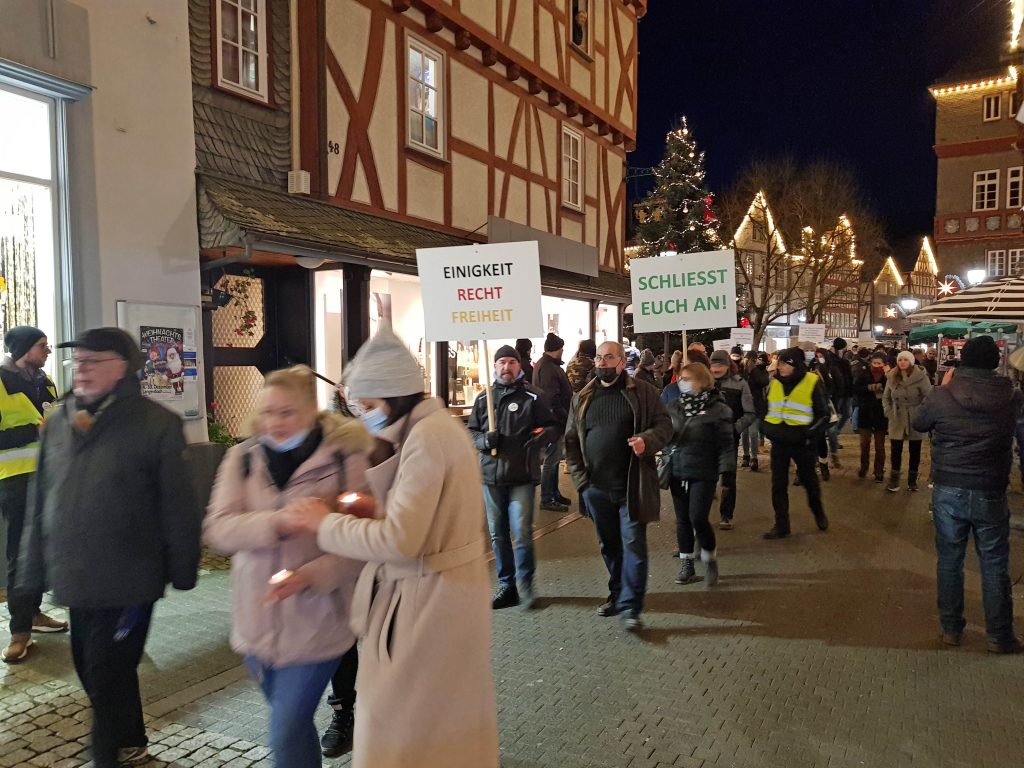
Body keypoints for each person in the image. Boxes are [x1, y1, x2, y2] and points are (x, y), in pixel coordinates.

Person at [277, 322, 499, 767]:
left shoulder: (427, 437)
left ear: (394, 394)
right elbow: (418, 522)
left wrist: (325, 524)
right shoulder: (432, 431)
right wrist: (370, 506)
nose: (364, 414)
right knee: (438, 728)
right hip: (439, 597)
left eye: (369, 404)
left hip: (425, 603)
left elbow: (401, 539)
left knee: (404, 732)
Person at [17, 328, 202, 768]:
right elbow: (41, 501)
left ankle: (105, 757)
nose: (81, 369)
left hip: (130, 577)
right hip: (76, 574)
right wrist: (30, 569)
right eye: (77, 361)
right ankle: (130, 739)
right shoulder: (59, 421)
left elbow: (178, 504)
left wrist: (183, 568)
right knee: (91, 666)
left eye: (92, 361)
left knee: (105, 671)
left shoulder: (156, 423)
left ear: (122, 368)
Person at [205, 366, 371, 766]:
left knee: (285, 726)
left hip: (319, 624)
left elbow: (362, 542)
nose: (275, 423)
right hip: (257, 625)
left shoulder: (343, 458)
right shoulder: (242, 458)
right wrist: (276, 523)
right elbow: (217, 529)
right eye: (268, 412)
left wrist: (310, 576)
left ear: (310, 412)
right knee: (294, 728)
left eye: (286, 412)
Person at [913, 335, 1024, 653]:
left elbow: (919, 423)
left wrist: (946, 387)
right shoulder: (1011, 396)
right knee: (994, 562)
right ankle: (1000, 636)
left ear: (963, 361)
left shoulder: (942, 394)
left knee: (950, 559)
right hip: (990, 487)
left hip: (949, 487)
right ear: (995, 363)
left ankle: (951, 630)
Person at [564, 341, 672, 632]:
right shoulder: (583, 397)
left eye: (609, 357)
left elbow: (665, 426)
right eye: (599, 357)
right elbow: (571, 441)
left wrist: (647, 441)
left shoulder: (644, 392)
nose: (602, 362)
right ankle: (617, 592)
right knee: (609, 545)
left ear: (622, 362)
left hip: (632, 486)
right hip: (596, 488)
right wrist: (581, 483)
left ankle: (631, 606)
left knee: (633, 544)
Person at [468, 344, 558, 608]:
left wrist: (543, 436)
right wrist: (484, 440)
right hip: (491, 476)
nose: (506, 367)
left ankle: (525, 583)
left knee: (521, 532)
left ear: (519, 365)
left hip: (522, 475)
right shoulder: (483, 399)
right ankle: (507, 586)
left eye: (511, 362)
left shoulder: (534, 396)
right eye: (502, 362)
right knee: (498, 534)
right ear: (495, 366)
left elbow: (553, 426)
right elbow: (471, 432)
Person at [0, 326, 65, 664]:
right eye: (43, 345)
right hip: (14, 480)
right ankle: (19, 631)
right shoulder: (1, 382)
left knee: (42, 549)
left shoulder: (46, 382)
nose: (48, 351)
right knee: (20, 554)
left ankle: (35, 613)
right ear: (25, 348)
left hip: (50, 477)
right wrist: (32, 431)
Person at [661, 363, 735, 586]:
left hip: (704, 471)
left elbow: (726, 445)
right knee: (682, 520)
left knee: (698, 518)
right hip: (678, 470)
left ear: (702, 382)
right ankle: (687, 565)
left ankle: (709, 558)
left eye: (687, 379)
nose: (682, 383)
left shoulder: (718, 410)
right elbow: (663, 435)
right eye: (681, 378)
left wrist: (727, 474)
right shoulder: (673, 407)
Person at [759, 347, 830, 539]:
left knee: (809, 482)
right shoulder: (775, 383)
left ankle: (818, 512)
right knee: (778, 485)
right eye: (779, 363)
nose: (780, 367)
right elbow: (766, 409)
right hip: (779, 442)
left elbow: (823, 414)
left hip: (802, 443)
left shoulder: (812, 381)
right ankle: (781, 525)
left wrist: (808, 435)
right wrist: (765, 428)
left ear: (795, 365)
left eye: (784, 364)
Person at [708, 350, 755, 529]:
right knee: (705, 476)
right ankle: (701, 513)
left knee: (728, 478)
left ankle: (726, 515)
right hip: (706, 438)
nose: (716, 368)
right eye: (713, 364)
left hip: (728, 439)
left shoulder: (740, 384)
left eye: (720, 364)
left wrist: (735, 428)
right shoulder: (704, 382)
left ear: (728, 365)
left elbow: (749, 413)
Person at [532, 333, 574, 513]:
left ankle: (554, 493)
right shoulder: (549, 368)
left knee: (554, 459)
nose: (563, 351)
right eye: (561, 349)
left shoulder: (547, 365)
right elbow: (552, 399)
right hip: (553, 423)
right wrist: (564, 418)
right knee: (551, 460)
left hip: (553, 421)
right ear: (557, 349)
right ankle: (547, 497)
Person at [883, 351, 932, 492]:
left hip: (914, 416)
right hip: (897, 416)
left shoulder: (921, 377)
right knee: (895, 450)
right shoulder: (892, 376)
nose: (902, 362)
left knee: (915, 450)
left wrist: (921, 413)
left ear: (911, 361)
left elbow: (928, 397)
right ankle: (894, 480)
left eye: (905, 360)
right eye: (900, 360)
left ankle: (912, 480)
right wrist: (888, 412)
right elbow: (886, 397)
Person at [854, 352, 889, 482]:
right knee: (864, 444)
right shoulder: (864, 373)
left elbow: (893, 389)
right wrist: (869, 388)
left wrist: (886, 380)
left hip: (881, 414)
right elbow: (856, 388)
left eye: (879, 363)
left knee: (880, 445)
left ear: (884, 364)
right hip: (865, 413)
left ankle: (879, 471)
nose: (876, 365)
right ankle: (864, 468)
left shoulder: (887, 375)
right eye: (874, 363)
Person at [826, 338, 854, 466]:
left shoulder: (842, 360)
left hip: (846, 392)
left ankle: (834, 436)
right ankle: (833, 442)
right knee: (835, 418)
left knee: (847, 413)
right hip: (836, 395)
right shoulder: (830, 359)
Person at [741, 351, 770, 473]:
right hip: (743, 407)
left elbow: (763, 381)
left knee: (753, 433)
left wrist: (753, 370)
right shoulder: (742, 371)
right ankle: (746, 455)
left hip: (756, 407)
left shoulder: (760, 371)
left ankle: (754, 457)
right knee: (744, 433)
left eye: (752, 360)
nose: (749, 362)